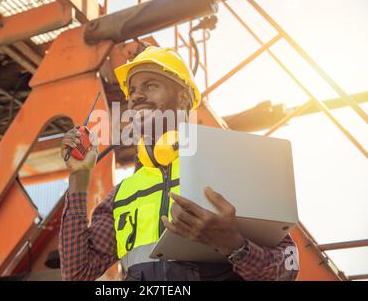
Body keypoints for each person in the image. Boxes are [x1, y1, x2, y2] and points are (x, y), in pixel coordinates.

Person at [59, 46, 299, 281]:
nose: (136, 97)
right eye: (131, 91)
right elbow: (77, 273)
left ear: (183, 98)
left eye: (150, 85)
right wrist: (79, 177)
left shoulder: (228, 168)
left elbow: (287, 267)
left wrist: (233, 244)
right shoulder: (122, 195)